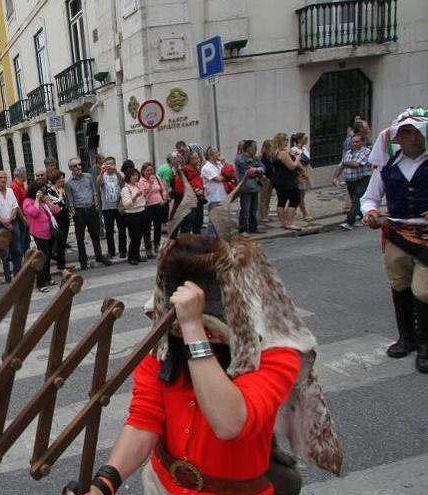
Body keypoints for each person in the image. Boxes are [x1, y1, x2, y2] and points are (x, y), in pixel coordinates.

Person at [74, 232, 342, 495]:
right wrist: (104, 484)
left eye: (212, 326)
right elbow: (145, 419)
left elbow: (229, 424)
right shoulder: (166, 343)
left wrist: (193, 328)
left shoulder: (276, 354)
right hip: (162, 483)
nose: (203, 332)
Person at [361, 108, 428, 372]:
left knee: (423, 290)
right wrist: (371, 212)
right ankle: (407, 338)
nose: (411, 137)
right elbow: (368, 198)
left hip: (426, 237)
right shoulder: (386, 168)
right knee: (399, 285)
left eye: (415, 132)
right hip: (397, 235)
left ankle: (425, 346)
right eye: (405, 132)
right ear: (396, 139)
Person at [65, 157, 110, 270]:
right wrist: (73, 210)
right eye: (75, 166)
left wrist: (96, 203)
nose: (78, 167)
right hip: (79, 211)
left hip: (91, 209)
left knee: (95, 235)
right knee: (80, 238)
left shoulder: (88, 176)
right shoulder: (69, 183)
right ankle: (83, 260)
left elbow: (94, 190)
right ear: (71, 168)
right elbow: (70, 199)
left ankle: (99, 256)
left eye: (79, 164)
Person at [23, 182, 60, 292]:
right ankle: (40, 282)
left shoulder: (43, 200)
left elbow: (55, 210)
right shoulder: (27, 202)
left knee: (48, 257)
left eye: (43, 190)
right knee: (42, 259)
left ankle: (48, 278)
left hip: (49, 232)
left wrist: (47, 201)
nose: (42, 192)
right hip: (38, 234)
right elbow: (34, 212)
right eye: (40, 190)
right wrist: (37, 200)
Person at [0, 170, 24, 282]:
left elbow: (15, 206)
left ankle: (17, 274)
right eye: (0, 178)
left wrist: (10, 219)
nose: (3, 180)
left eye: (5, 178)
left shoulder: (10, 191)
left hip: (12, 223)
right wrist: (5, 222)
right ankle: (8, 275)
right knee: (4, 252)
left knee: (17, 249)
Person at [336, 133, 372, 231]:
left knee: (356, 199)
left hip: (362, 180)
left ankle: (349, 222)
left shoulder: (366, 152)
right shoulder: (348, 153)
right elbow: (341, 166)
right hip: (350, 181)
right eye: (353, 142)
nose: (354, 144)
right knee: (356, 200)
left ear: (362, 142)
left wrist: (345, 162)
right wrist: (335, 177)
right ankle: (364, 216)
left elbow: (356, 164)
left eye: (357, 142)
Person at [269, 133, 303, 231]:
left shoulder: (274, 152)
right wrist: (297, 158)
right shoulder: (282, 153)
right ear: (281, 141)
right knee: (295, 199)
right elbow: (292, 166)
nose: (287, 142)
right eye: (286, 140)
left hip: (278, 179)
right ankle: (289, 223)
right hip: (286, 179)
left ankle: (283, 222)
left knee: (282, 200)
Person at [97, 156, 127, 260]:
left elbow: (124, 183)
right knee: (109, 231)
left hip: (119, 206)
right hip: (107, 208)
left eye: (111, 164)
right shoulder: (102, 175)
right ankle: (111, 251)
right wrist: (101, 172)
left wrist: (116, 172)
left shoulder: (119, 174)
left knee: (122, 229)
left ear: (115, 164)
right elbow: (98, 184)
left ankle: (123, 250)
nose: (109, 166)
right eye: (107, 164)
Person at [234, 140, 265, 235]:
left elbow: (263, 167)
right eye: (254, 148)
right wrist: (257, 170)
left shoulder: (255, 158)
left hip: (255, 186)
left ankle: (253, 227)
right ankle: (243, 229)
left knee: (254, 209)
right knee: (245, 210)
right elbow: (248, 171)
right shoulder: (240, 159)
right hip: (245, 187)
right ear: (248, 148)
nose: (256, 150)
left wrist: (257, 169)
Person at [139, 162, 168, 258]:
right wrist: (150, 184)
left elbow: (162, 189)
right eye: (147, 170)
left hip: (158, 205)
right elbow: (144, 195)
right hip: (148, 207)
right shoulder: (141, 181)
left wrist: (164, 199)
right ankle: (148, 248)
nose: (150, 172)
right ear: (143, 171)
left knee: (157, 227)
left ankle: (157, 245)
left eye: (151, 170)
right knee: (146, 228)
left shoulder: (157, 178)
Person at [174, 151, 206, 234]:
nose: (198, 160)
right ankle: (185, 244)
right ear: (189, 159)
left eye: (198, 158)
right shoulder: (184, 171)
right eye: (195, 158)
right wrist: (195, 191)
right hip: (189, 202)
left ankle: (196, 244)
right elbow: (179, 188)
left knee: (198, 223)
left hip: (198, 201)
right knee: (187, 225)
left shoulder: (196, 170)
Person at [120, 168, 146, 265]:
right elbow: (126, 204)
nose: (135, 177)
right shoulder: (125, 189)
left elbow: (143, 200)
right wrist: (135, 196)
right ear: (128, 177)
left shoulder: (138, 186)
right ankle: (131, 257)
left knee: (139, 236)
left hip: (141, 212)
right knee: (134, 237)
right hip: (131, 214)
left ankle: (137, 255)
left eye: (137, 175)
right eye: (133, 175)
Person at [47, 171, 71, 271]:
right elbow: (58, 205)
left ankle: (62, 264)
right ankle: (61, 266)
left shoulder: (62, 189)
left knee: (63, 241)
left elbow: (65, 203)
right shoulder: (50, 191)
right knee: (60, 241)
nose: (62, 180)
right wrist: (61, 195)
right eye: (60, 178)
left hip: (65, 217)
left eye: (63, 178)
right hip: (58, 218)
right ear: (55, 180)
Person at [11, 167, 30, 255]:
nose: (26, 175)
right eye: (25, 173)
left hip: (25, 216)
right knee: (22, 242)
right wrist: (23, 219)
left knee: (27, 240)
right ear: (22, 175)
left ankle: (27, 259)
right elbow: (17, 205)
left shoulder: (21, 185)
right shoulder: (14, 186)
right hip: (20, 218)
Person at [258, 139, 275, 224]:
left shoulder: (271, 156)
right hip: (264, 178)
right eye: (271, 146)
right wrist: (263, 176)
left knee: (268, 197)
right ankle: (263, 215)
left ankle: (266, 214)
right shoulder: (261, 156)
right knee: (263, 197)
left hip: (271, 178)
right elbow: (258, 166)